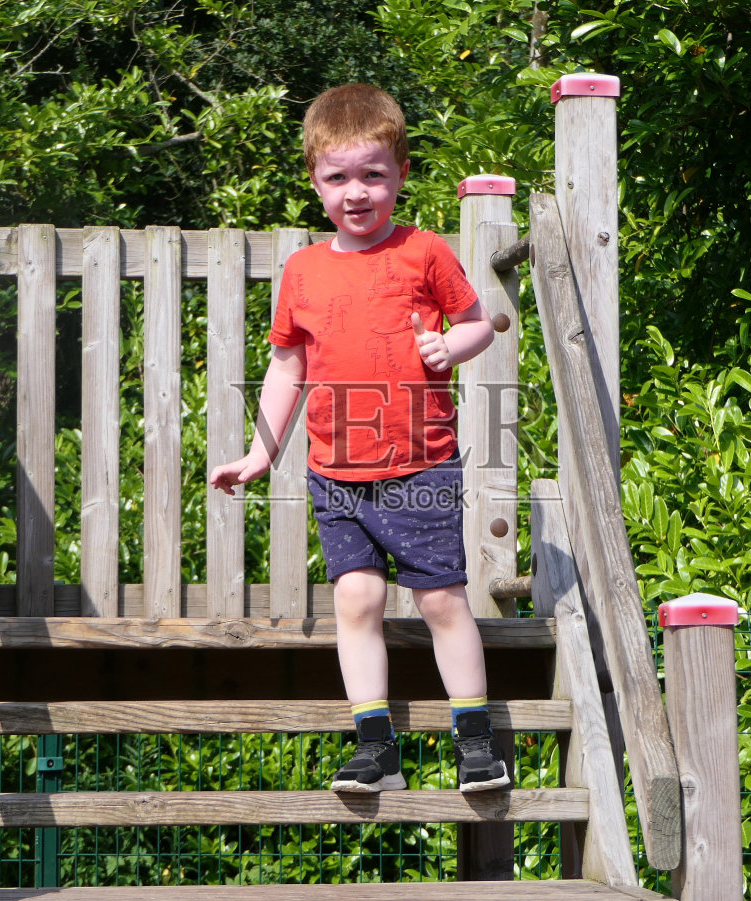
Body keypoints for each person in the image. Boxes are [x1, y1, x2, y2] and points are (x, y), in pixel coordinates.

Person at [207, 83, 509, 793]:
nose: (356, 192)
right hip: (335, 473)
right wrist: (260, 452)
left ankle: (476, 741)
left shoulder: (424, 251)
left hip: (420, 465)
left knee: (441, 601)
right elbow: (288, 366)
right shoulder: (304, 270)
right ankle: (377, 749)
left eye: (373, 174)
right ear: (314, 183)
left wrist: (450, 347)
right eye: (338, 177)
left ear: (401, 173)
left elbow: (477, 323)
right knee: (357, 602)